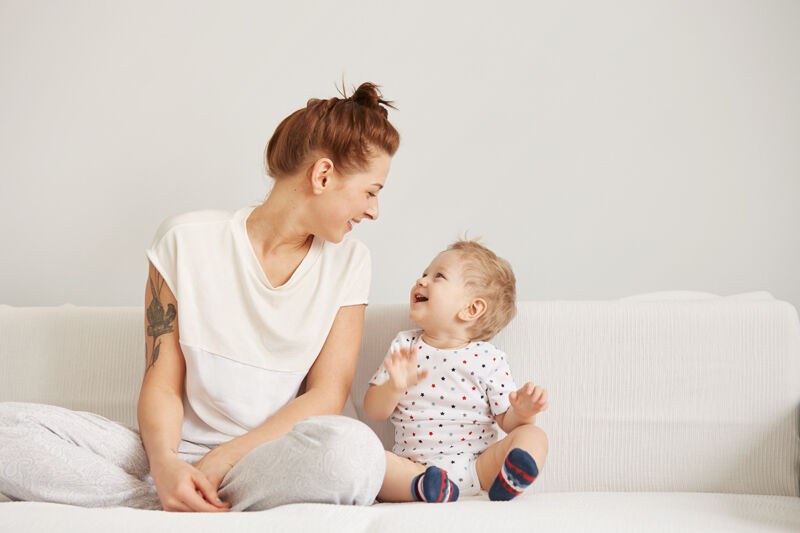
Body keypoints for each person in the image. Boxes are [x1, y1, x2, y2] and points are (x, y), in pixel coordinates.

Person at [0, 82, 399, 512]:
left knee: (355, 452)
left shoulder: (350, 262)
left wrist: (224, 458)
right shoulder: (184, 241)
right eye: (371, 191)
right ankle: (174, 500)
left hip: (267, 460)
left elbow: (326, 396)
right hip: (172, 453)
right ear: (322, 175)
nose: (374, 210)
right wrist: (166, 465)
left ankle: (185, 504)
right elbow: (162, 383)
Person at [363, 240, 549, 502]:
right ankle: (423, 488)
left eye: (438, 276)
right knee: (372, 459)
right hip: (416, 466)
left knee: (533, 434)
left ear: (471, 309)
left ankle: (511, 477)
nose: (421, 280)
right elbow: (374, 410)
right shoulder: (405, 345)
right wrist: (394, 386)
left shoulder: (489, 358)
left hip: (479, 466)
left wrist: (523, 412)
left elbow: (508, 423)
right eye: (424, 273)